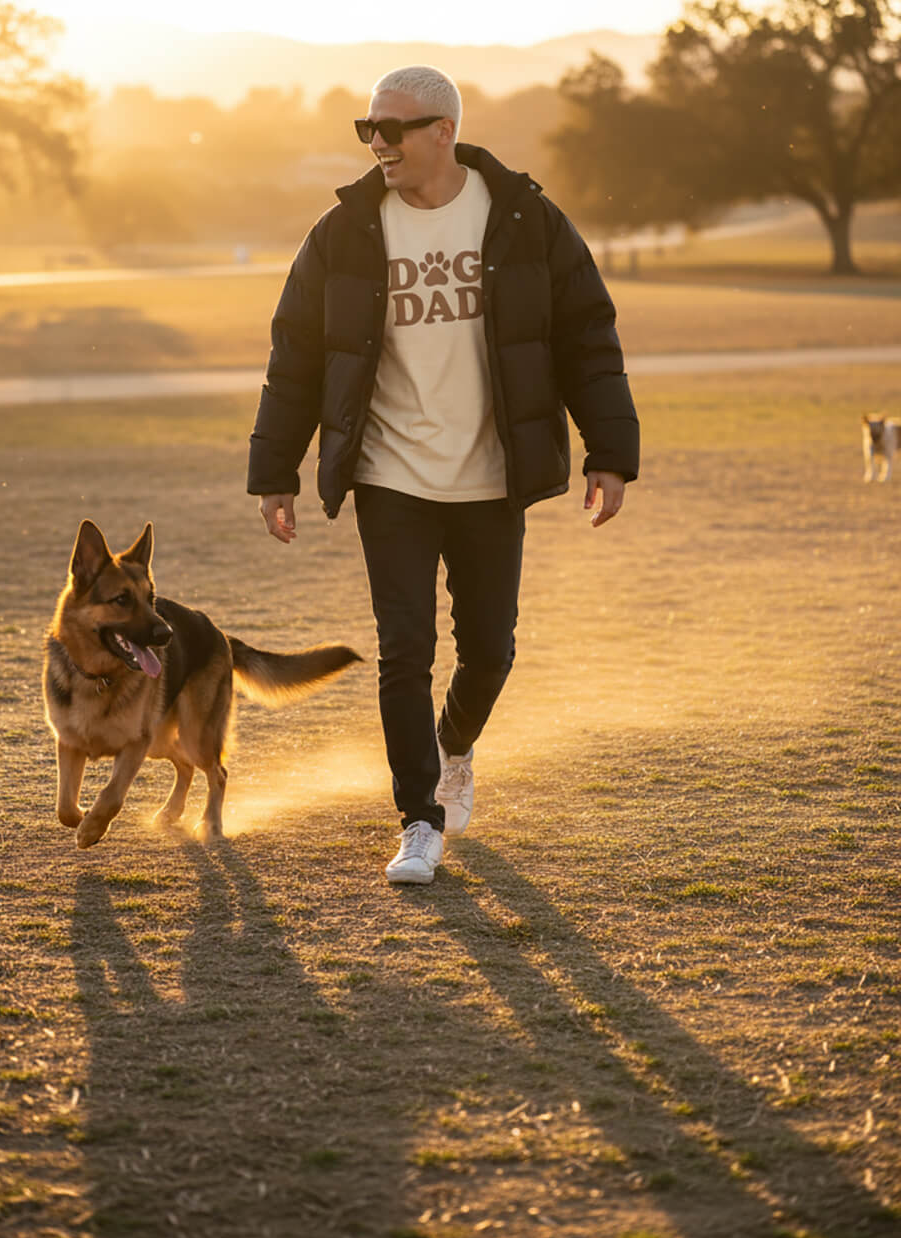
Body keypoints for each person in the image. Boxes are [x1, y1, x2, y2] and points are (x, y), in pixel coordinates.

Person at [248, 66, 639, 885]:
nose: (377, 144)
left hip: (491, 475)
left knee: (490, 650)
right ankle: (418, 821)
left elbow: (586, 334)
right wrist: (275, 468)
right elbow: (297, 354)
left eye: (392, 129)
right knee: (405, 652)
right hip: (390, 474)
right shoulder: (345, 231)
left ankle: (453, 748)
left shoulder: (523, 217)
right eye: (367, 129)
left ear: (443, 132)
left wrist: (608, 450)